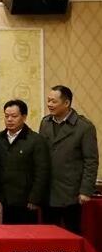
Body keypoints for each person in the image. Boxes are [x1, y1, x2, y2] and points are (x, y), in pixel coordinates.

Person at [39, 85, 99, 234]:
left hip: (71, 193)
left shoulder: (84, 127)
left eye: (54, 101)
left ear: (66, 103)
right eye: (48, 100)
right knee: (48, 235)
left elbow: (91, 161)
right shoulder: (45, 123)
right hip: (48, 192)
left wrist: (86, 190)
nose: (49, 104)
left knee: (72, 234)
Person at [0, 99, 49, 224]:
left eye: (14, 116)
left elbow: (42, 172)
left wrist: (34, 198)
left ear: (24, 117)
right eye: (6, 116)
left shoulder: (35, 140)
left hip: (25, 202)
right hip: (1, 200)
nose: (9, 119)